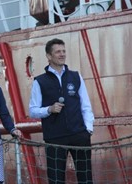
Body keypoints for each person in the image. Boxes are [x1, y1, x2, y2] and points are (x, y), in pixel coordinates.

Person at [29, 38, 94, 184]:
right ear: (49, 56)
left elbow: (86, 105)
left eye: (63, 51)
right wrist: (49, 109)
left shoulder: (75, 77)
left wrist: (88, 129)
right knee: (56, 180)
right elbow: (33, 111)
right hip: (55, 138)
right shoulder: (39, 81)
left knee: (86, 178)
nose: (62, 54)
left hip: (79, 135)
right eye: (58, 52)